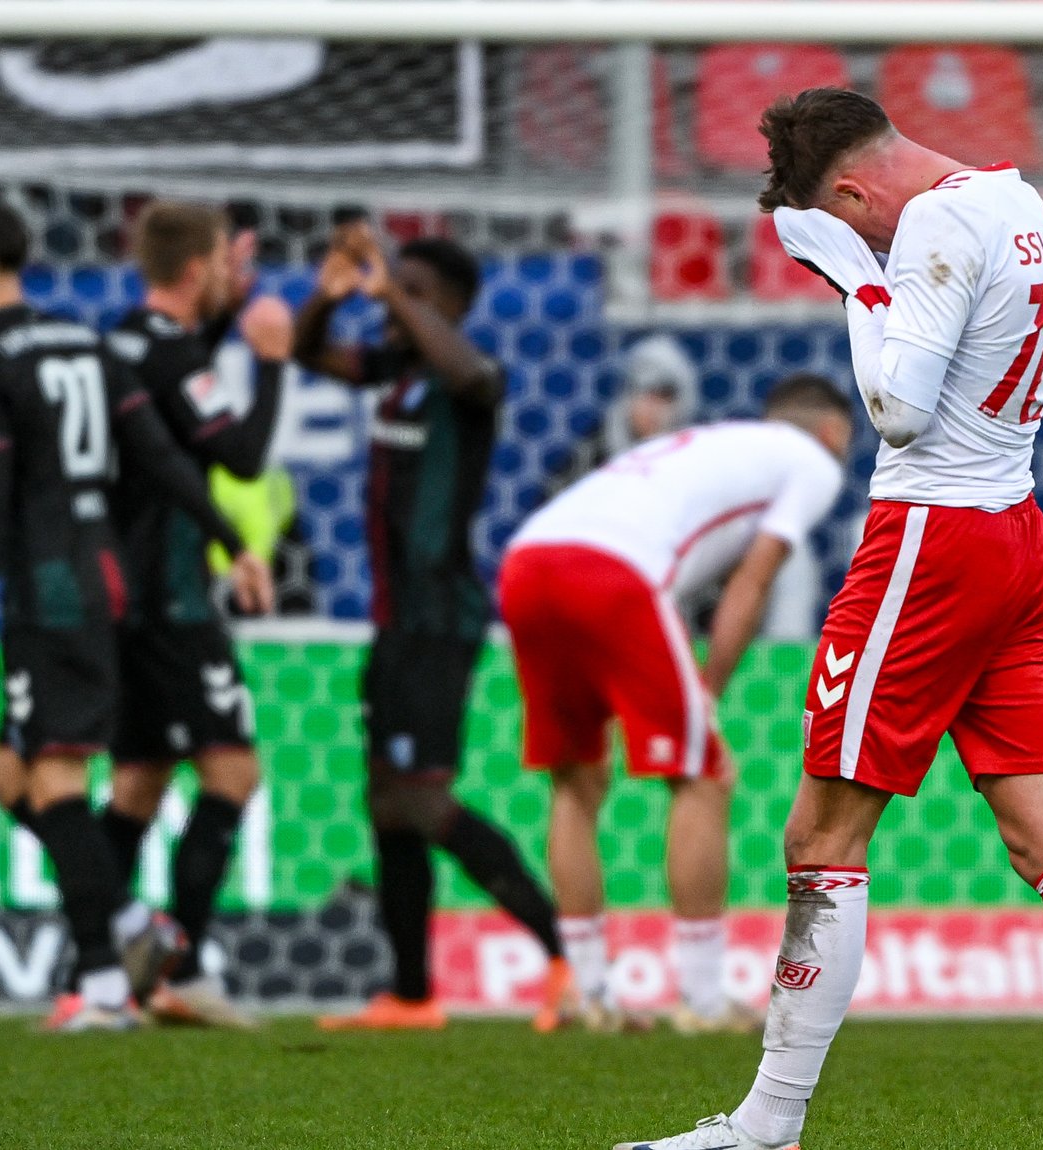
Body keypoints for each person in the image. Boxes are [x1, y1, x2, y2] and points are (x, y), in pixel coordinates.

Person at [617, 89, 1043, 1150]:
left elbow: (897, 408)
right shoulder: (1020, 203)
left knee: (821, 836)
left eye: (847, 219)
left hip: (930, 541)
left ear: (853, 190)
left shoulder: (936, 223)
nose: (865, 245)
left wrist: (851, 273)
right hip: (1014, 532)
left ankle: (764, 1128)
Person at [0, 196, 262, 1032]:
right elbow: (162, 458)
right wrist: (231, 540)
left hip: (52, 587)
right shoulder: (83, 339)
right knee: (15, 777)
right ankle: (122, 931)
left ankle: (114, 968)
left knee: (55, 780)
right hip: (107, 579)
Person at [500, 375, 851, 1034]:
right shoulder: (813, 462)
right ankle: (703, 999)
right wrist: (710, 691)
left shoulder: (715, 441)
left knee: (576, 779)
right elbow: (753, 581)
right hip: (615, 572)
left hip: (527, 562)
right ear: (832, 432)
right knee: (704, 776)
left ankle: (589, 994)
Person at [294, 221, 570, 1032]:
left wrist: (398, 299)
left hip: (439, 618)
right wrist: (329, 294)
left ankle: (566, 957)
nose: (389, 305)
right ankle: (412, 994)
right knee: (385, 803)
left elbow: (477, 371)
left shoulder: (463, 379)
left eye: (412, 292)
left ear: (446, 305)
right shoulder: (398, 373)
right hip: (395, 621)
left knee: (419, 802)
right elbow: (309, 355)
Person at [90, 200, 284, 1027]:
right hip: (172, 594)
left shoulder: (123, 340)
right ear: (198, 268)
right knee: (233, 773)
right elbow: (237, 455)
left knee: (137, 785)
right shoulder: (171, 353)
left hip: (119, 594)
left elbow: (176, 386)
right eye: (221, 266)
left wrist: (229, 305)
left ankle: (97, 973)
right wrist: (270, 358)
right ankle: (184, 964)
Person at [542, 333, 700, 499]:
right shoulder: (592, 454)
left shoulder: (690, 461)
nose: (653, 410)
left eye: (664, 397)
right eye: (645, 394)